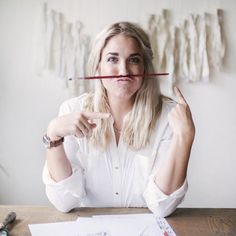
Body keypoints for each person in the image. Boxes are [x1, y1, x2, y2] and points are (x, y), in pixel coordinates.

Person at [42, 21, 195, 217]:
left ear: (146, 68)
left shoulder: (169, 116)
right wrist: (53, 135)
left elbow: (161, 206)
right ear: (97, 67)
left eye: (133, 60)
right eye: (113, 59)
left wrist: (185, 137)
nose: (123, 71)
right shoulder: (72, 110)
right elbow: (64, 202)